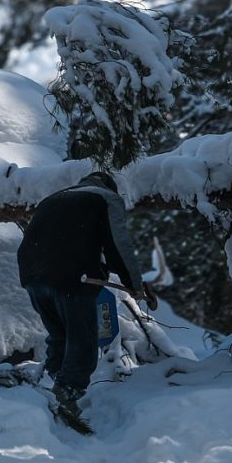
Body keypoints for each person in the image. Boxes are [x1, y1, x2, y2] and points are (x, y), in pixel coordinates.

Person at [17, 171, 148, 416]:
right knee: (82, 342)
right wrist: (135, 284)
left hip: (31, 274)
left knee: (60, 336)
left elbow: (60, 239)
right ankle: (64, 398)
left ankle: (48, 391)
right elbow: (118, 244)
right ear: (111, 188)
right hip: (71, 276)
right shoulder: (106, 198)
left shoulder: (53, 199)